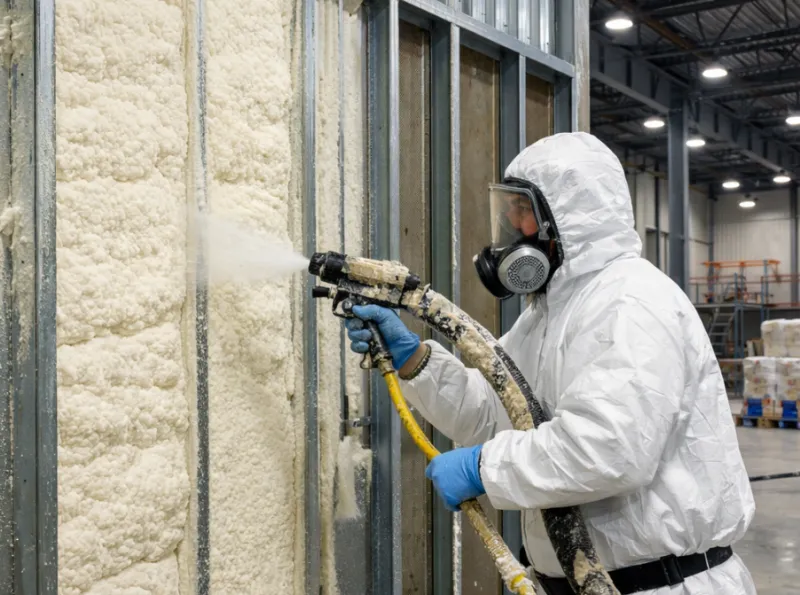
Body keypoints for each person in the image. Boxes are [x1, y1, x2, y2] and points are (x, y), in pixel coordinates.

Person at [345, 132, 756, 594]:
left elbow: (609, 447)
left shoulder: (631, 301)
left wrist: (483, 469)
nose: (507, 225)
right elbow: (494, 412)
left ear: (567, 220)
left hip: (663, 585)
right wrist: (414, 359)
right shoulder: (548, 314)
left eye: (520, 211)